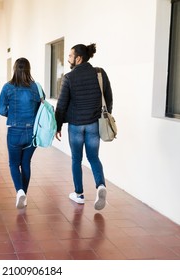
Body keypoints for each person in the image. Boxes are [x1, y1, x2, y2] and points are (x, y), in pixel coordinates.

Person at [55, 43, 113, 210]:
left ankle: (79, 194)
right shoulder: (100, 73)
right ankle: (100, 185)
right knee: (94, 157)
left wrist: (57, 126)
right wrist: (106, 116)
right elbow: (108, 97)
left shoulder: (69, 77)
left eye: (70, 56)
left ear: (78, 58)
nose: (68, 59)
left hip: (75, 126)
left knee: (76, 159)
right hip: (94, 124)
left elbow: (61, 105)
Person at [0, 58, 42, 209]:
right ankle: (24, 194)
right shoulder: (36, 87)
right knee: (26, 163)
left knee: (13, 164)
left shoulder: (7, 87)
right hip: (32, 132)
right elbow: (40, 110)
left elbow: (2, 110)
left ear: (14, 69)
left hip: (15, 132)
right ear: (29, 69)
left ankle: (19, 191)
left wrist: (14, 114)